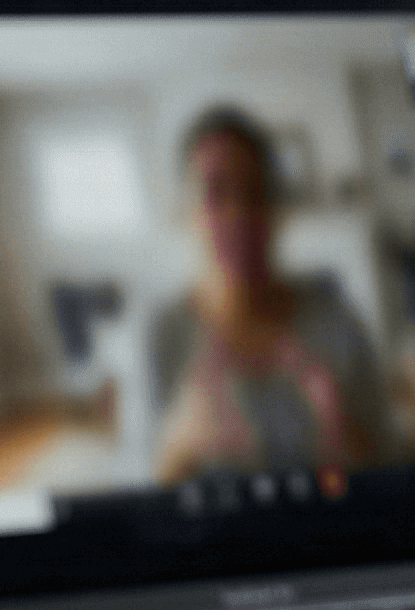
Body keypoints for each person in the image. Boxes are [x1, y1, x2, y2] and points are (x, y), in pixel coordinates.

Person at [150, 108, 392, 482]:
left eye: (255, 192)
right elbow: (130, 498)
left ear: (277, 210)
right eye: (216, 192)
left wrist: (343, 431)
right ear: (188, 211)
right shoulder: (160, 335)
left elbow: (392, 468)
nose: (239, 214)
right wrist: (180, 449)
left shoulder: (339, 324)